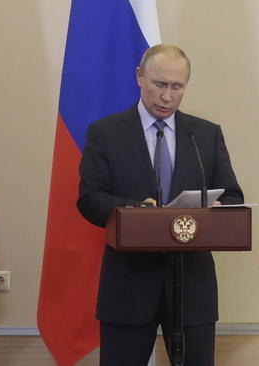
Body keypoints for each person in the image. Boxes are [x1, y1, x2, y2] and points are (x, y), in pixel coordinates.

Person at [77, 44, 243, 366]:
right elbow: (89, 199)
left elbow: (233, 197)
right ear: (140, 77)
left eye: (177, 87)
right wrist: (135, 212)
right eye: (159, 84)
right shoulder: (106, 133)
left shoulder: (205, 135)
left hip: (191, 285)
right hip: (129, 282)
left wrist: (214, 208)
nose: (167, 96)